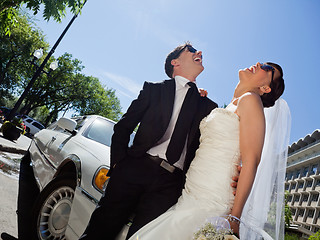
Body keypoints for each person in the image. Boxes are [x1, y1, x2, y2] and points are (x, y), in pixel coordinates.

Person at [128, 62, 291, 240]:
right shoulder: (235, 104)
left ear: (265, 88)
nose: (259, 64)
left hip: (212, 197)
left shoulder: (251, 100)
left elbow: (252, 160)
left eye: (267, 68)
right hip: (191, 192)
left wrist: (234, 218)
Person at [79, 43, 219, 240]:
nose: (200, 53)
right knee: (99, 232)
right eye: (192, 50)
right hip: (134, 169)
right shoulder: (154, 90)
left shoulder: (207, 105)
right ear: (175, 62)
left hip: (170, 185)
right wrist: (119, 165)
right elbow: (123, 127)